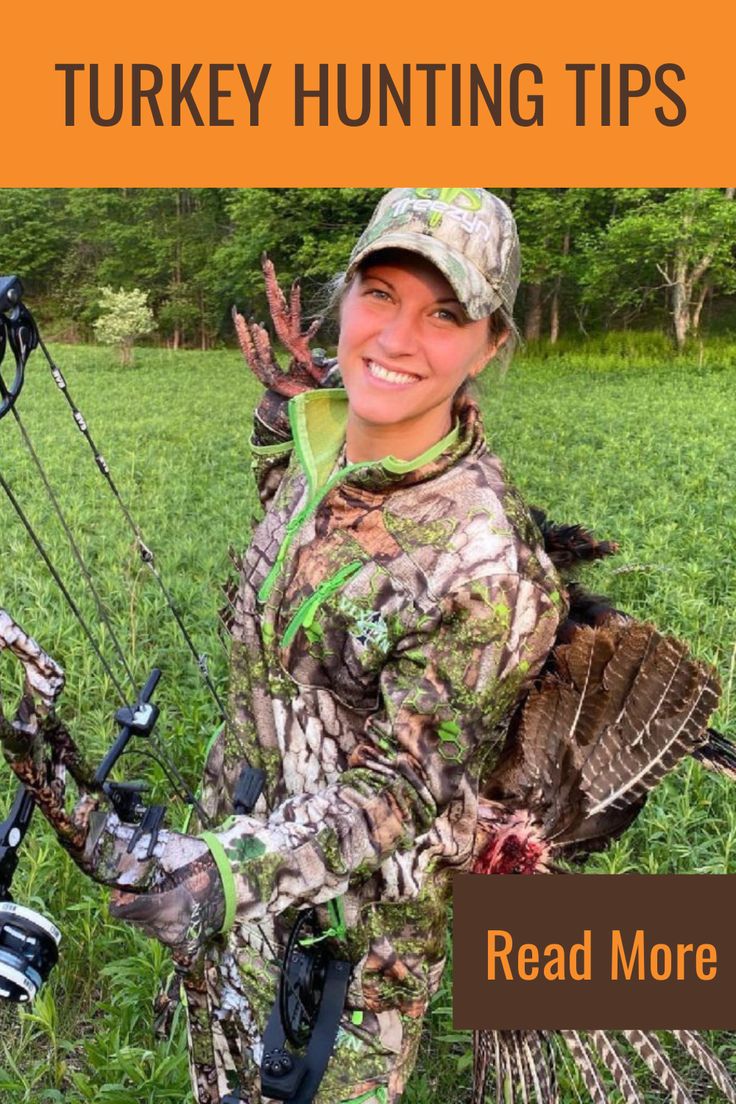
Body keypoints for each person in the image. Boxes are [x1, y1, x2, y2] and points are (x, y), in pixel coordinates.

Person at [84, 187, 566, 1104]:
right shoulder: (312, 446)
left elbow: (406, 783)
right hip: (230, 872)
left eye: (445, 314)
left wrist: (228, 873)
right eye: (379, 293)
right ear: (343, 296)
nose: (395, 336)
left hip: (347, 951)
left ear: (489, 344)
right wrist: (219, 861)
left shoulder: (485, 564)